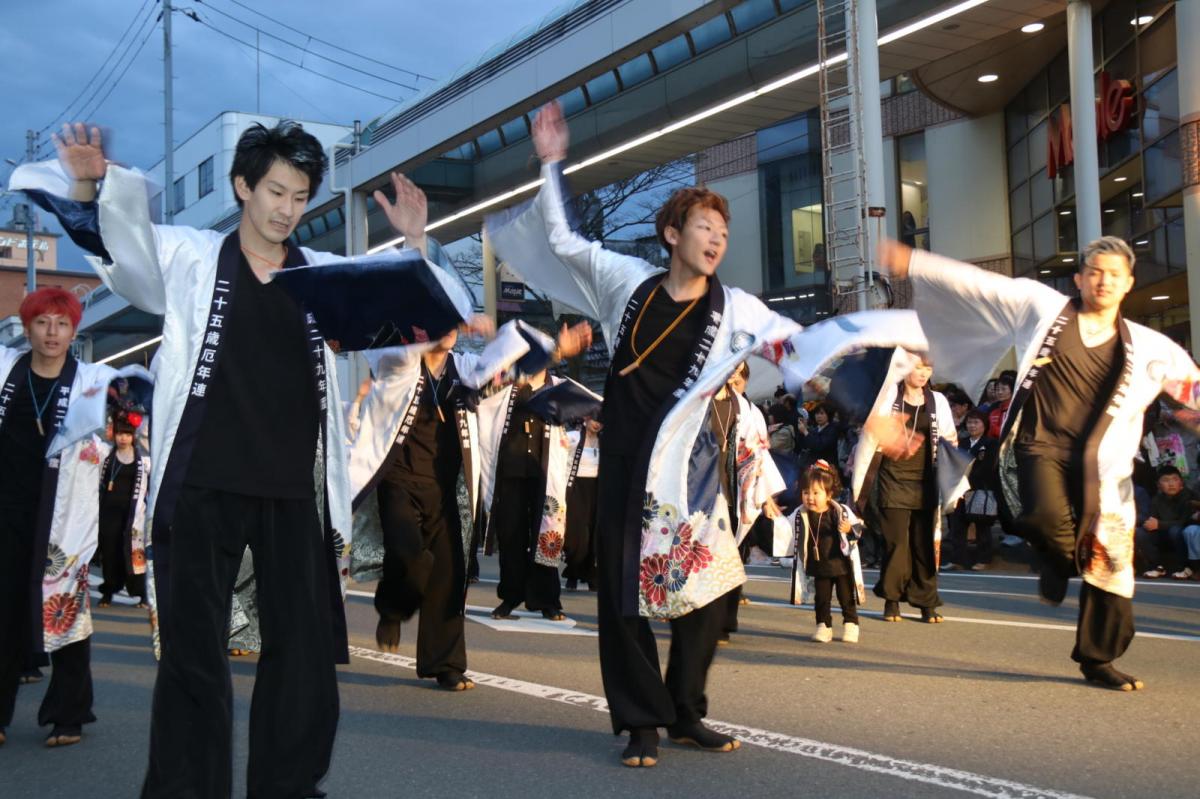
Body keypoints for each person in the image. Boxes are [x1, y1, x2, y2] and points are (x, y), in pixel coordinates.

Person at [487, 101, 928, 767]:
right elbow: (565, 241)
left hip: (688, 469)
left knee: (712, 587)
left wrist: (873, 414)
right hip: (626, 461)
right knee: (623, 596)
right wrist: (552, 163)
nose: (716, 238)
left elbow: (802, 352)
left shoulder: (738, 310)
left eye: (723, 229)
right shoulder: (625, 282)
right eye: (703, 226)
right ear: (671, 234)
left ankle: (686, 707)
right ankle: (640, 721)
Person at [38, 120, 471, 795]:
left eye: (300, 196)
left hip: (292, 492)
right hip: (202, 486)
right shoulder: (192, 256)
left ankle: (289, 784)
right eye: (275, 190)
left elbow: (430, 309)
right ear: (243, 186)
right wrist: (91, 185)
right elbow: (126, 256)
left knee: (303, 657)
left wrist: (416, 242)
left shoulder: (322, 277)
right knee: (194, 658)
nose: (286, 208)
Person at [881, 234, 1200, 691]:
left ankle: (1098, 658)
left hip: (1104, 465)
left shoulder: (1152, 348)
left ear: (1129, 283)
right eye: (1095, 272)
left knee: (1111, 561)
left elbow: (1193, 393)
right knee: (1047, 521)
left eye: (1114, 274)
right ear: (1079, 278)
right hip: (1038, 447)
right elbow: (981, 284)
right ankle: (1054, 556)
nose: (1103, 281)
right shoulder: (1042, 307)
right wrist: (915, 261)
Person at [1, 288, 143, 748]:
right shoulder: (6, 371)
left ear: (74, 330)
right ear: (28, 328)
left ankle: (68, 714)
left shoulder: (92, 379)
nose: (52, 333)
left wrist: (114, 422)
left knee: (65, 610)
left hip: (65, 516)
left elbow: (134, 405)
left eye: (62, 324)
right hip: (7, 509)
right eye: (42, 323)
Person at [851, 355, 961, 624]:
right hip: (892, 478)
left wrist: (955, 484)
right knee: (896, 543)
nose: (923, 373)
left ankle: (927, 602)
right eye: (918, 367)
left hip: (927, 480)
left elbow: (949, 441)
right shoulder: (888, 397)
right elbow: (871, 436)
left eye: (928, 368)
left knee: (924, 543)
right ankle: (891, 600)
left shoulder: (938, 401)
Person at [716, 361, 785, 645]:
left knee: (731, 557)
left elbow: (759, 457)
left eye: (739, 376)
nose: (734, 380)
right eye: (729, 374)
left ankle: (723, 621)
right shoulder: (698, 404)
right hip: (703, 488)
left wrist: (766, 496)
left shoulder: (751, 412)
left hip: (736, 492)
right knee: (709, 556)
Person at [787, 461, 863, 643]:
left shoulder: (839, 511)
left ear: (829, 495)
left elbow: (858, 528)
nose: (810, 498)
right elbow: (785, 529)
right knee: (821, 598)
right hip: (818, 564)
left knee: (846, 597)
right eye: (806, 493)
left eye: (816, 493)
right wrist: (774, 517)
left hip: (841, 564)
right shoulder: (800, 514)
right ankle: (823, 625)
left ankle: (851, 624)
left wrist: (848, 530)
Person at [97, 414, 151, 608]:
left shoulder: (143, 461)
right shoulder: (105, 455)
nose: (123, 438)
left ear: (133, 436)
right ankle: (108, 592)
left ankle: (142, 595)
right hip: (108, 514)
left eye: (127, 434)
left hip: (133, 516)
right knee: (110, 554)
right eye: (120, 434)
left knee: (135, 555)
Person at [944, 409, 999, 571]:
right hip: (959, 491)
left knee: (982, 526)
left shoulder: (991, 444)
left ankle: (985, 559)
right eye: (969, 422)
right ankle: (958, 560)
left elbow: (988, 468)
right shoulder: (962, 443)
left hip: (979, 489)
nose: (972, 425)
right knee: (957, 526)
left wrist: (968, 481)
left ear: (984, 424)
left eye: (976, 422)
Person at [1136, 465, 1200, 579]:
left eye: (1175, 479)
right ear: (1158, 485)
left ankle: (1185, 567)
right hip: (1163, 532)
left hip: (1180, 534)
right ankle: (1157, 566)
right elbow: (1152, 520)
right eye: (1166, 480)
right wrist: (1150, 524)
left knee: (1176, 531)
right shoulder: (1157, 499)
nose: (1171, 484)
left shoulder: (1189, 497)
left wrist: (1159, 524)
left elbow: (1184, 522)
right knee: (1141, 532)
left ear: (1181, 482)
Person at [563, 418, 602, 592]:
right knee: (575, 535)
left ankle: (590, 574)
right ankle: (573, 571)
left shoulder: (604, 440)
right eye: (594, 419)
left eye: (601, 420)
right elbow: (558, 449)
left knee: (594, 535)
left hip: (596, 489)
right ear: (585, 419)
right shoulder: (574, 436)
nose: (598, 424)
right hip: (576, 488)